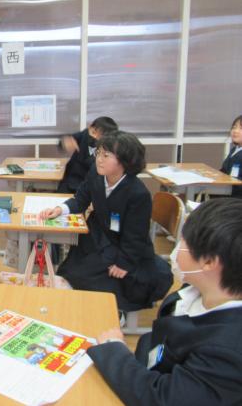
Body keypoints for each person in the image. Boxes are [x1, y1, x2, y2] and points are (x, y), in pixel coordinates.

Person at [87, 198, 242, 405]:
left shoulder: (227, 351)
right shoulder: (198, 289)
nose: (177, 247)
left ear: (208, 262)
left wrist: (114, 350)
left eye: (183, 241)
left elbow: (164, 398)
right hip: (147, 367)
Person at [39, 131, 172, 312]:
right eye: (98, 153)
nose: (99, 159)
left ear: (125, 161)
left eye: (106, 155)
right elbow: (81, 198)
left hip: (124, 249)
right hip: (98, 237)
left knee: (95, 280)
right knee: (71, 272)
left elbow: (136, 236)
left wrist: (124, 263)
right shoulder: (96, 173)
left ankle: (113, 313)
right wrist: (60, 209)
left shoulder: (137, 194)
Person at [57, 116, 118, 194]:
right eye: (93, 132)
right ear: (90, 127)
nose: (94, 137)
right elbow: (66, 141)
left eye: (99, 135)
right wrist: (64, 142)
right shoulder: (84, 134)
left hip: (91, 185)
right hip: (70, 181)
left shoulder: (110, 148)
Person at [220, 115, 242, 199]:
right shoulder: (234, 150)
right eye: (234, 127)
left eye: (241, 128)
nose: (235, 131)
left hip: (236, 198)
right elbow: (224, 171)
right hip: (226, 191)